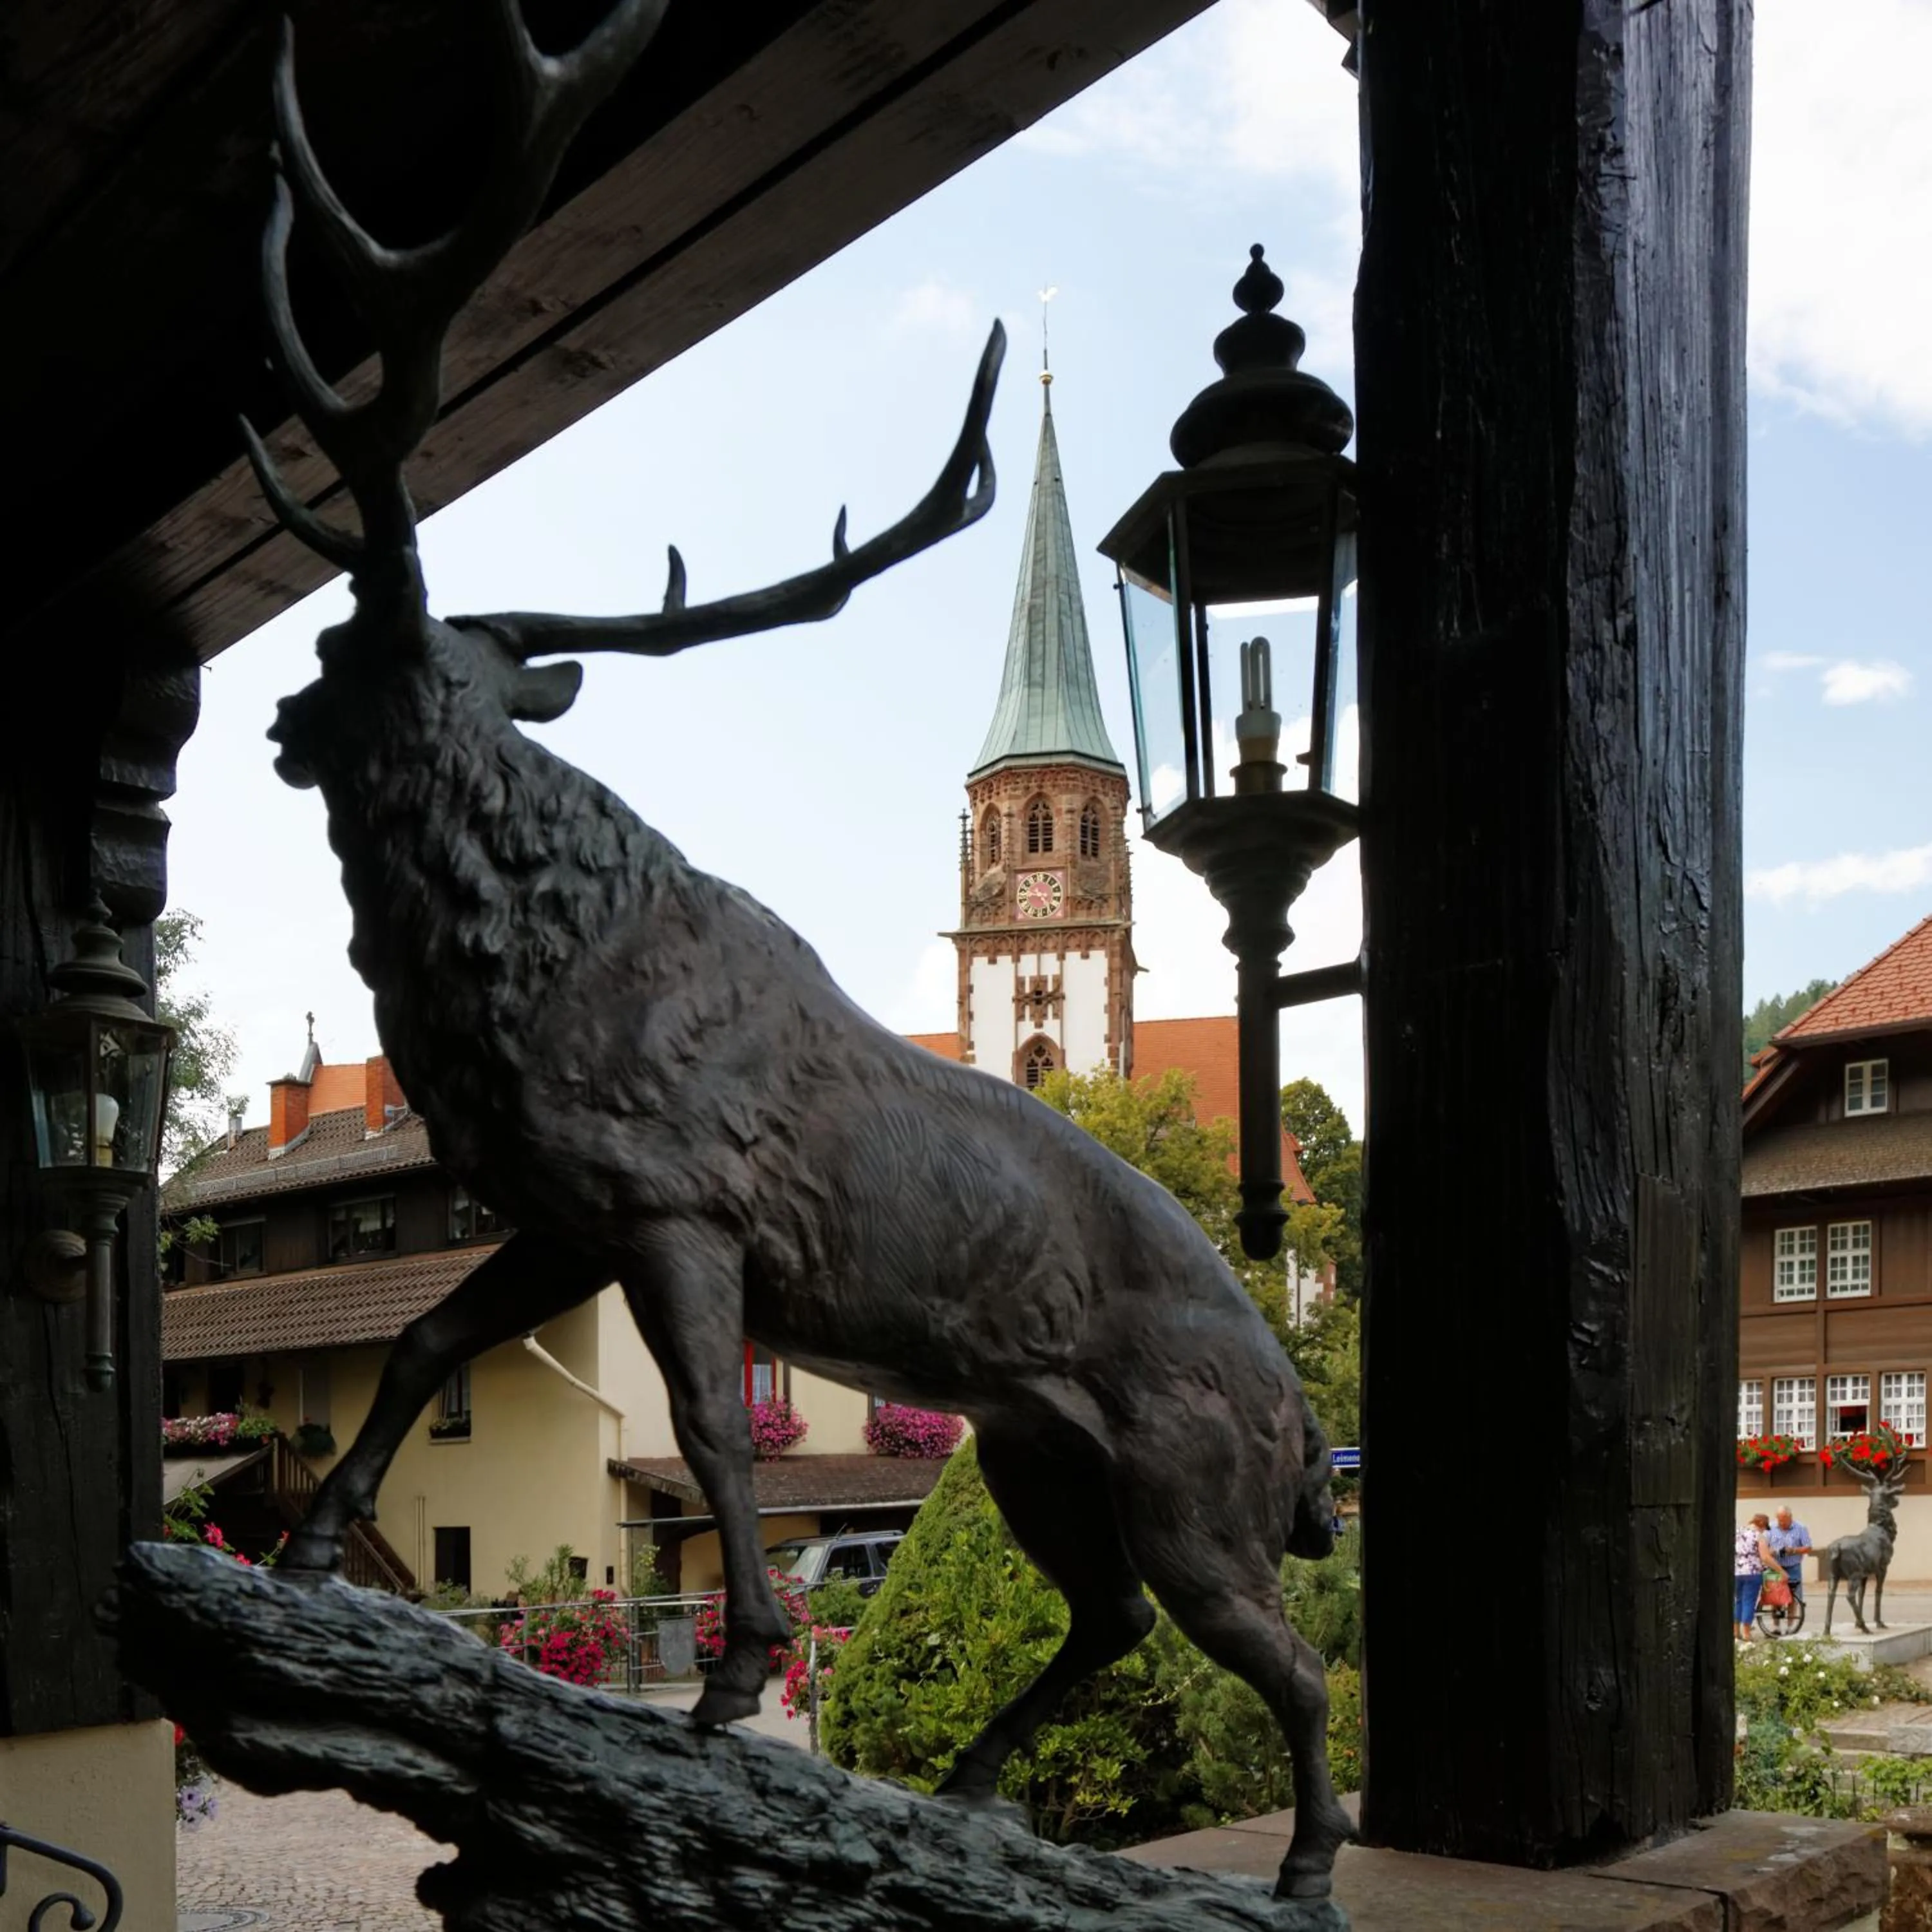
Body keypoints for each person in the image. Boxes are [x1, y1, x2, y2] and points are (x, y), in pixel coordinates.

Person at [1734, 1512, 1777, 1640]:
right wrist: (1780, 1570)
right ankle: (1747, 1633)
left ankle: (1736, 1632)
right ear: (1761, 1524)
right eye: (1765, 1527)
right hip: (1753, 1573)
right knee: (1749, 1602)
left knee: (1739, 1601)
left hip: (1737, 1572)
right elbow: (1765, 1557)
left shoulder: (1738, 1532)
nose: (1765, 1530)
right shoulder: (1759, 1536)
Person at [1768, 1505, 1813, 1613]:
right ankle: (1776, 1627)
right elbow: (1764, 1546)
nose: (1782, 1524)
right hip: (1776, 1566)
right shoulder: (1771, 1527)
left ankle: (1790, 1627)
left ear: (1790, 1517)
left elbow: (1808, 1547)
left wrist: (1793, 1551)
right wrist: (1773, 1551)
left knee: (1793, 1598)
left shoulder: (1801, 1528)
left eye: (1785, 1521)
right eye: (1780, 1521)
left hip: (1793, 1567)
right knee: (1775, 1598)